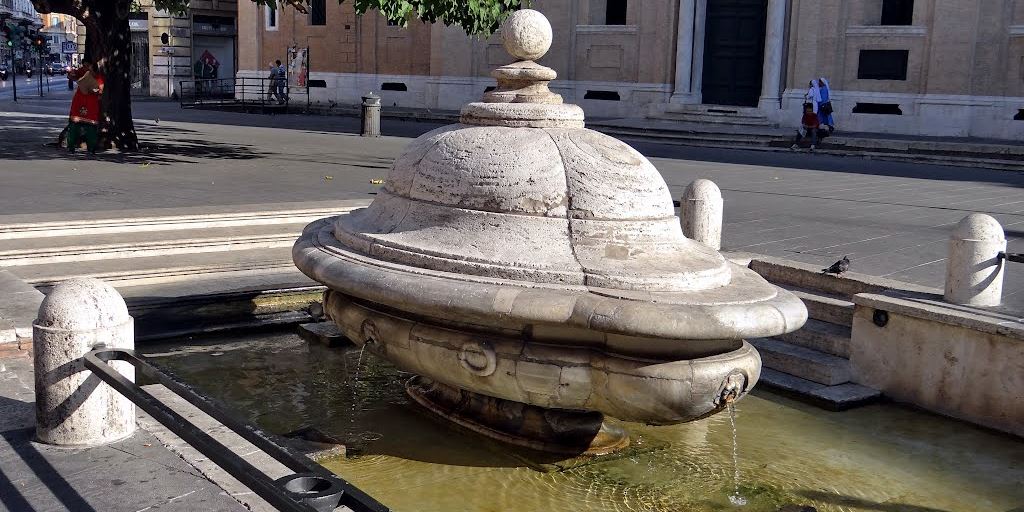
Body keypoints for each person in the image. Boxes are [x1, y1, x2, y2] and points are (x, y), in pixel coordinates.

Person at [65, 60, 104, 154]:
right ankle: (71, 146)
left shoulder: (98, 77)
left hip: (91, 104)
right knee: (74, 126)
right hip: (79, 102)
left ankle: (91, 148)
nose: (87, 68)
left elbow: (100, 90)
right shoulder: (82, 71)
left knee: (91, 128)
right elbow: (71, 76)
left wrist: (94, 91)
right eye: (85, 66)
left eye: (89, 66)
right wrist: (71, 73)